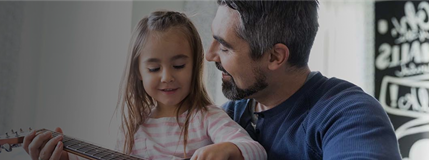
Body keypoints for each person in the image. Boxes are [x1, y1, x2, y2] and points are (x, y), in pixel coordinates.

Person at [22, 10, 266, 160]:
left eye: (179, 66)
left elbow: (256, 151)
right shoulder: (134, 127)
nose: (166, 76)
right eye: (154, 68)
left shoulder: (206, 117)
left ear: (195, 67)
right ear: (138, 72)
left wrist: (229, 150)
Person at [206, 0, 402, 160]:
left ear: (275, 57)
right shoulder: (226, 118)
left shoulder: (350, 115)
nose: (210, 55)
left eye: (225, 48)